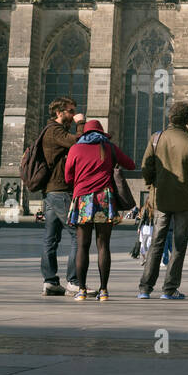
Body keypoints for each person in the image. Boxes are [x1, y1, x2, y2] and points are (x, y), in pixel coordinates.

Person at [138, 101, 188, 300]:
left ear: (170, 118)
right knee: (179, 245)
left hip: (160, 199)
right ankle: (169, 289)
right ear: (187, 120)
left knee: (156, 243)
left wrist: (152, 186)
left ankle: (145, 288)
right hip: (184, 200)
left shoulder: (156, 138)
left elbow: (146, 166)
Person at [64, 119, 134, 301]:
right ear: (102, 134)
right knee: (103, 245)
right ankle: (103, 291)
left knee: (82, 246)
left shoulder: (75, 149)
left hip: (82, 200)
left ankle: (81, 290)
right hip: (105, 199)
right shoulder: (109, 148)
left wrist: (81, 182)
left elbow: (67, 176)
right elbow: (131, 164)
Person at [40, 97, 84, 297]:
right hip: (60, 190)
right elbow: (78, 143)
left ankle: (50, 282)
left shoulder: (51, 131)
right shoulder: (55, 131)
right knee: (77, 234)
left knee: (51, 239)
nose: (73, 114)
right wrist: (81, 123)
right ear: (59, 112)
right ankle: (73, 282)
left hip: (51, 191)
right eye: (70, 111)